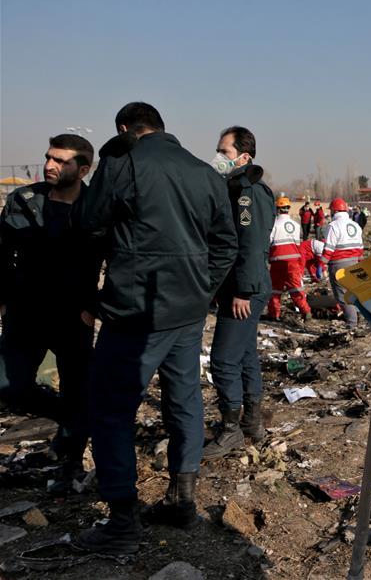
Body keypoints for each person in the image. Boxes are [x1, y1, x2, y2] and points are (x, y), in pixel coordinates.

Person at [75, 102, 237, 553]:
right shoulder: (203, 172)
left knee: (110, 410)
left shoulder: (121, 162)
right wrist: (203, 289)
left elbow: (88, 223)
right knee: (184, 400)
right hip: (186, 311)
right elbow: (226, 243)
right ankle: (182, 501)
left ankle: (122, 520)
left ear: (126, 129)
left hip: (135, 312)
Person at [0, 134, 100, 493]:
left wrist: (94, 307)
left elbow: (119, 261)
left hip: (73, 317)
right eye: (48, 158)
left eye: (61, 160)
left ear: (84, 169)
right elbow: (2, 252)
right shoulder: (24, 200)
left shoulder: (96, 208)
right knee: (9, 385)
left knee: (76, 385)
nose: (50, 166)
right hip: (24, 314)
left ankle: (70, 458)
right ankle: (71, 417)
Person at [203, 127, 275, 461]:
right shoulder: (234, 188)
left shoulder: (248, 192)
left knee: (223, 360)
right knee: (245, 355)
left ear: (244, 157)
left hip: (246, 288)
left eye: (225, 152)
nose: (218, 158)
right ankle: (251, 423)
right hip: (240, 287)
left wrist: (243, 291)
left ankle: (230, 429)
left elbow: (251, 242)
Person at [267, 197, 313, 321]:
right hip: (294, 260)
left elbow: (269, 242)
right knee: (296, 287)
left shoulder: (273, 224)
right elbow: (297, 244)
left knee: (275, 289)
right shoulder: (296, 225)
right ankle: (305, 310)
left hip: (278, 261)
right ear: (288, 209)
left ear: (277, 209)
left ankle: (274, 314)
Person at [320, 198, 364, 327]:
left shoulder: (333, 226)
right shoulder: (355, 225)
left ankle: (352, 323)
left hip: (339, 263)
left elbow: (329, 248)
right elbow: (360, 247)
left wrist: (322, 264)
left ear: (334, 211)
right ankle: (358, 315)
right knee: (353, 291)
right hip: (355, 262)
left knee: (342, 295)